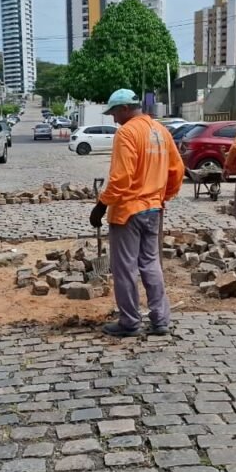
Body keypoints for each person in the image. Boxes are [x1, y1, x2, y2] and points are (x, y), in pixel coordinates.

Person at [89, 89, 185, 338]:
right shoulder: (161, 131)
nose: (113, 119)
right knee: (151, 263)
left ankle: (130, 322)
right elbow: (177, 170)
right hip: (154, 209)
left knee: (125, 269)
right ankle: (160, 320)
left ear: (124, 109)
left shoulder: (127, 133)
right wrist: (162, 196)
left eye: (113, 113)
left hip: (128, 211)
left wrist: (101, 204)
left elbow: (121, 178)